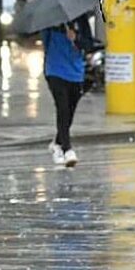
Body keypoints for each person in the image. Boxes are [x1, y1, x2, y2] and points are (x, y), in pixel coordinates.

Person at [41, 15, 92, 167]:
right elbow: (46, 43)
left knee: (70, 110)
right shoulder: (49, 22)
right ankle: (66, 149)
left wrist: (75, 38)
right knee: (62, 108)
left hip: (75, 72)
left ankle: (57, 142)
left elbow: (88, 44)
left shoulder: (81, 21)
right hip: (55, 70)